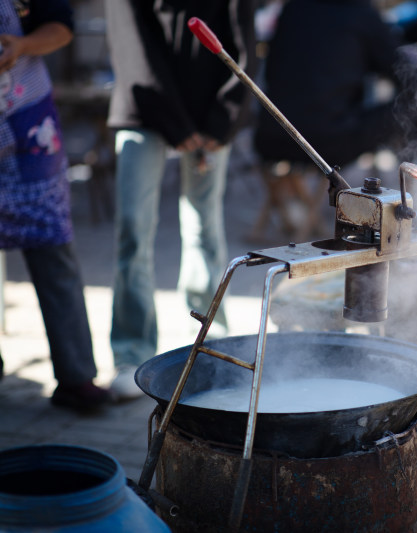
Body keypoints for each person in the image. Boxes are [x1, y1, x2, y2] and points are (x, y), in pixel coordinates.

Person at [104, 0, 256, 400]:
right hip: (144, 108)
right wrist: (176, 123)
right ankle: (131, 351)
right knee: (134, 231)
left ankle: (210, 342)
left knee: (204, 227)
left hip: (210, 113)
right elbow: (132, 45)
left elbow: (242, 44)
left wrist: (221, 119)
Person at [0, 0, 110, 411]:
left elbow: (61, 25)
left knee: (53, 242)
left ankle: (75, 375)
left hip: (28, 120)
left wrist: (23, 45)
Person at [253, 0, 417, 170]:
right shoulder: (360, 13)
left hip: (271, 138)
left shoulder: (293, 6)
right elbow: (406, 73)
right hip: (328, 143)